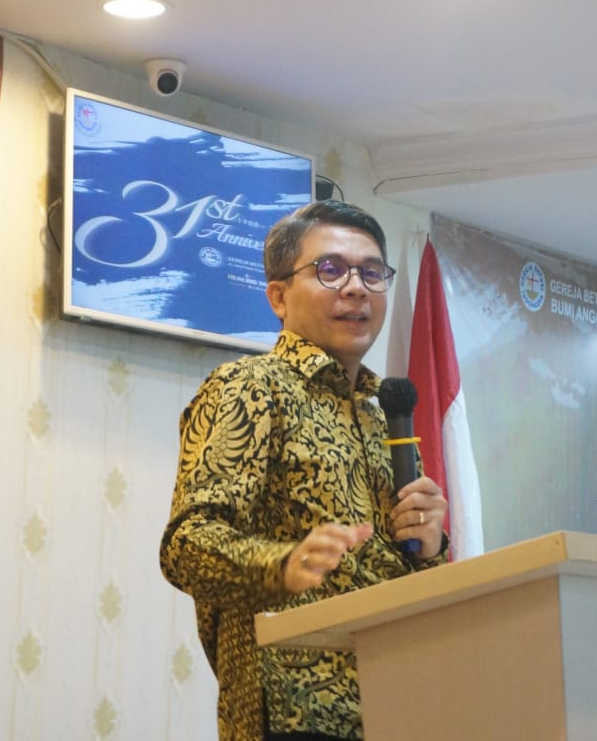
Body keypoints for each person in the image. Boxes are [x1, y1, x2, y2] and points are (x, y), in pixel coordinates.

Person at [160, 200, 448, 741]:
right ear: (278, 296)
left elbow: (405, 584)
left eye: (371, 273)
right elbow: (187, 546)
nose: (356, 288)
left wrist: (430, 548)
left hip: (396, 704)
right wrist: (283, 565)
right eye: (331, 270)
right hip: (294, 714)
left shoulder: (383, 413)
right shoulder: (250, 387)